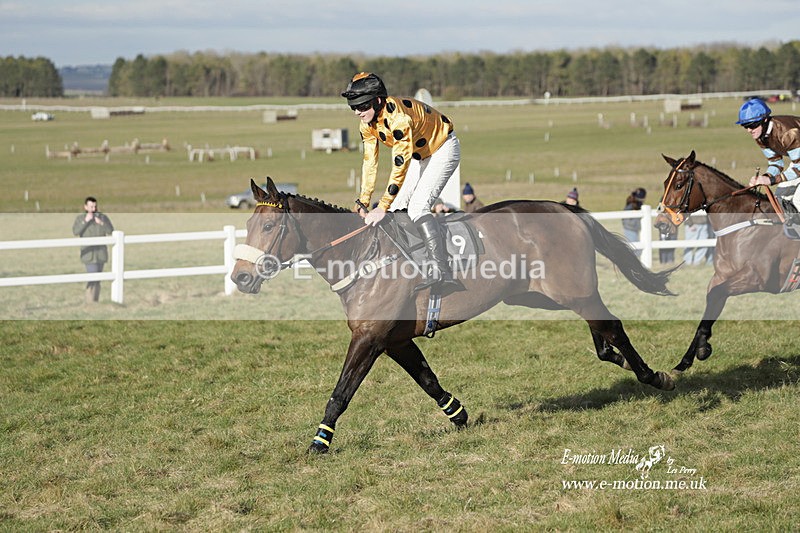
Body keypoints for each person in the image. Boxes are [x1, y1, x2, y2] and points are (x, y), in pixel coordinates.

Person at [342, 72, 463, 292]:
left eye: (362, 106)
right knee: (397, 210)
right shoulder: (367, 124)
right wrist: (363, 201)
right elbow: (370, 162)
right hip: (420, 154)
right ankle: (415, 263)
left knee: (417, 207)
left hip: (443, 149)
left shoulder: (399, 119)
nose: (358, 112)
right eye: (353, 108)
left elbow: (400, 165)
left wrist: (382, 206)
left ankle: (441, 271)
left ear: (378, 101)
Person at [741, 98, 800, 221]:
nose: (749, 130)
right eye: (745, 126)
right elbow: (776, 163)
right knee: (779, 198)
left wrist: (772, 180)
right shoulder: (760, 136)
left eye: (752, 125)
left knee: (798, 201)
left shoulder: (789, 133)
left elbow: (798, 168)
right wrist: (764, 178)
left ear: (765, 120)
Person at [72, 196, 114, 303]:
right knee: (92, 277)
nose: (93, 209)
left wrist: (101, 223)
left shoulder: (103, 217)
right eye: (91, 206)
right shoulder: (80, 219)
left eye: (95, 206)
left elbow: (110, 231)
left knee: (98, 279)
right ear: (85, 207)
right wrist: (86, 221)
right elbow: (76, 232)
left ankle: (95, 301)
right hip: (89, 254)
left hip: (101, 254)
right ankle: (89, 301)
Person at [622, 188, 647, 257]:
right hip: (630, 229)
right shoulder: (631, 206)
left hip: (633, 229)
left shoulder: (635, 205)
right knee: (634, 249)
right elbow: (626, 220)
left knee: (637, 249)